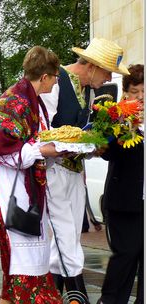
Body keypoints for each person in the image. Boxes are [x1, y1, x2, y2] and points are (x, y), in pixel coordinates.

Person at [40, 38, 130, 298]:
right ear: (92, 66)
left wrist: (94, 144)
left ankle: (54, 296)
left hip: (75, 171)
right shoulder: (56, 81)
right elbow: (41, 129)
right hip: (53, 169)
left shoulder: (88, 89)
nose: (109, 78)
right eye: (107, 71)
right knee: (65, 236)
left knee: (68, 237)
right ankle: (77, 295)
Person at [0, 46, 63, 303]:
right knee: (18, 254)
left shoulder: (32, 99)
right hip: (8, 187)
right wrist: (43, 150)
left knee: (21, 257)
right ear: (44, 77)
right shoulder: (14, 100)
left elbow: (32, 139)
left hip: (25, 185)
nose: (56, 81)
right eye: (55, 76)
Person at [98, 64, 144, 304]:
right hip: (125, 201)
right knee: (126, 254)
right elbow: (106, 153)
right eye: (135, 92)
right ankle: (110, 300)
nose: (140, 98)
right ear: (125, 92)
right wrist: (128, 126)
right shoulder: (117, 117)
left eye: (144, 92)